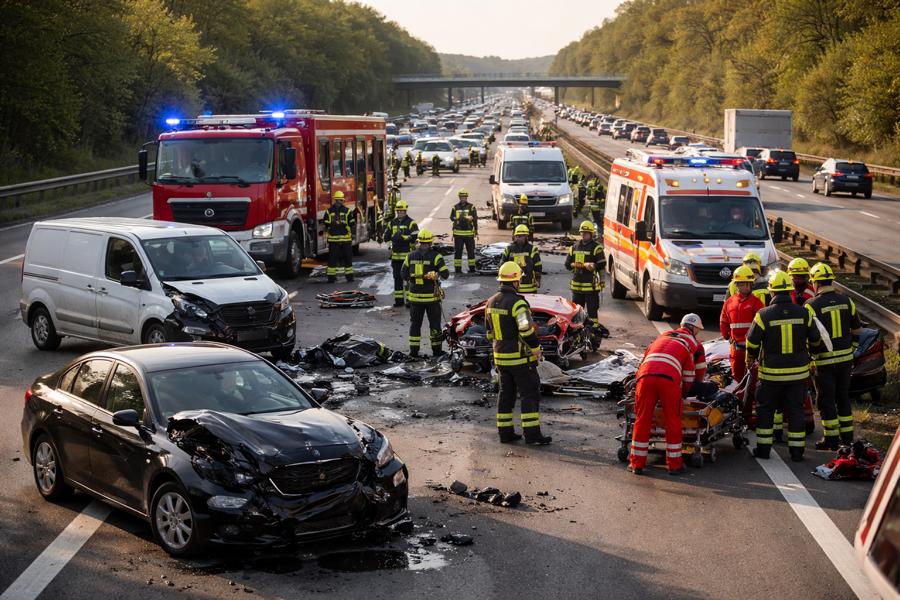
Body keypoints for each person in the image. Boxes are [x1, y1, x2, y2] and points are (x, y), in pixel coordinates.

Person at [745, 270, 823, 462]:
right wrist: (811, 356)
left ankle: (763, 450)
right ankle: (797, 452)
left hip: (770, 376)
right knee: (795, 410)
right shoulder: (804, 313)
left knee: (766, 410)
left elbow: (752, 343)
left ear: (771, 292)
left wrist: (750, 359)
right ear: (789, 290)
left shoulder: (763, 315)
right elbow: (816, 340)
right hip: (798, 375)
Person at [628, 316, 704, 475]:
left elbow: (643, 363)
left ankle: (636, 464)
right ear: (695, 329)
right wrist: (682, 394)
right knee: (673, 421)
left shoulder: (659, 339)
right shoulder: (687, 345)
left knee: (642, 419)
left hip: (645, 377)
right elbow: (689, 376)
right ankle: (674, 465)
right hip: (669, 381)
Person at [486, 261, 551, 445]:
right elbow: (526, 331)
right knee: (529, 393)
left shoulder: (490, 302)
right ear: (515, 281)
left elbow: (489, 332)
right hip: (520, 359)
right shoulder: (518, 304)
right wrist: (536, 347)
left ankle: (505, 433)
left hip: (500, 358)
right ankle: (532, 435)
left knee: (505, 394)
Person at [806, 263, 862, 450]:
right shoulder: (847, 301)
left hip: (824, 362)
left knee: (825, 400)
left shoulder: (811, 306)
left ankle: (830, 439)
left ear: (815, 283)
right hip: (846, 360)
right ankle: (847, 438)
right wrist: (851, 348)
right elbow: (857, 329)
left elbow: (811, 337)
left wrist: (811, 357)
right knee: (843, 397)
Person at [401, 229, 449, 357]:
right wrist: (436, 275)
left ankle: (413, 351)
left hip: (415, 299)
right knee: (434, 325)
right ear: (430, 242)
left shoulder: (410, 256)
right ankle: (437, 351)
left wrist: (413, 278)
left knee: (415, 324)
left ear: (418, 241)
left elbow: (403, 274)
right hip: (431, 300)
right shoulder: (436, 256)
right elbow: (445, 274)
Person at [719, 265, 766, 384]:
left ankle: (751, 402)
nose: (745, 287)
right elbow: (723, 321)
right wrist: (727, 336)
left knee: (753, 382)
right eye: (742, 284)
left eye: (748, 284)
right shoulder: (729, 302)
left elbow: (762, 325)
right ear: (736, 285)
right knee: (738, 380)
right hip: (736, 349)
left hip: (752, 350)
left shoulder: (756, 302)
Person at [565, 221, 605, 331]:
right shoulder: (574, 247)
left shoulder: (597, 248)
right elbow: (567, 265)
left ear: (592, 234)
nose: (584, 235)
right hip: (577, 288)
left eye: (586, 233)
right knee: (577, 314)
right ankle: (578, 335)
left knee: (592, 314)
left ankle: (593, 333)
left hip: (591, 288)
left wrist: (594, 266)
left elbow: (602, 264)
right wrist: (582, 265)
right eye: (582, 233)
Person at [388, 200, 418, 307]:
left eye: (402, 211)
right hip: (396, 258)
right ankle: (399, 300)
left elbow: (415, 237)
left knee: (409, 279)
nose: (400, 213)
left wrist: (403, 238)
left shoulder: (411, 222)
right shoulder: (392, 222)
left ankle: (409, 300)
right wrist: (393, 238)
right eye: (398, 211)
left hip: (407, 257)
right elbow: (386, 237)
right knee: (397, 279)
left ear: (405, 211)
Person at [323, 191, 355, 282]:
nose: (339, 202)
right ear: (341, 200)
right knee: (346, 259)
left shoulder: (329, 212)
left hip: (335, 240)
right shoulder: (347, 211)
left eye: (339, 200)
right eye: (339, 200)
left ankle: (332, 278)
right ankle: (348, 277)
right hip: (345, 239)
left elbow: (326, 225)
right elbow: (352, 224)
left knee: (334, 259)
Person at [500, 225, 541, 293]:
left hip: (528, 287)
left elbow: (538, 266)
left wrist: (538, 279)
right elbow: (502, 266)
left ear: (526, 236)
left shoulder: (532, 249)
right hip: (513, 287)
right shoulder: (509, 249)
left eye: (521, 236)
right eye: (517, 236)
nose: (519, 238)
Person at [450, 188, 478, 273]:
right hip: (458, 234)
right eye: (461, 197)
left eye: (464, 197)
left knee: (471, 251)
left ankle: (472, 268)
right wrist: (458, 218)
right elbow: (451, 217)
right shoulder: (455, 207)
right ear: (459, 197)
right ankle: (458, 269)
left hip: (469, 234)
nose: (463, 198)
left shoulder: (471, 207)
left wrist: (476, 230)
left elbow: (475, 219)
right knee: (458, 252)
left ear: (466, 197)